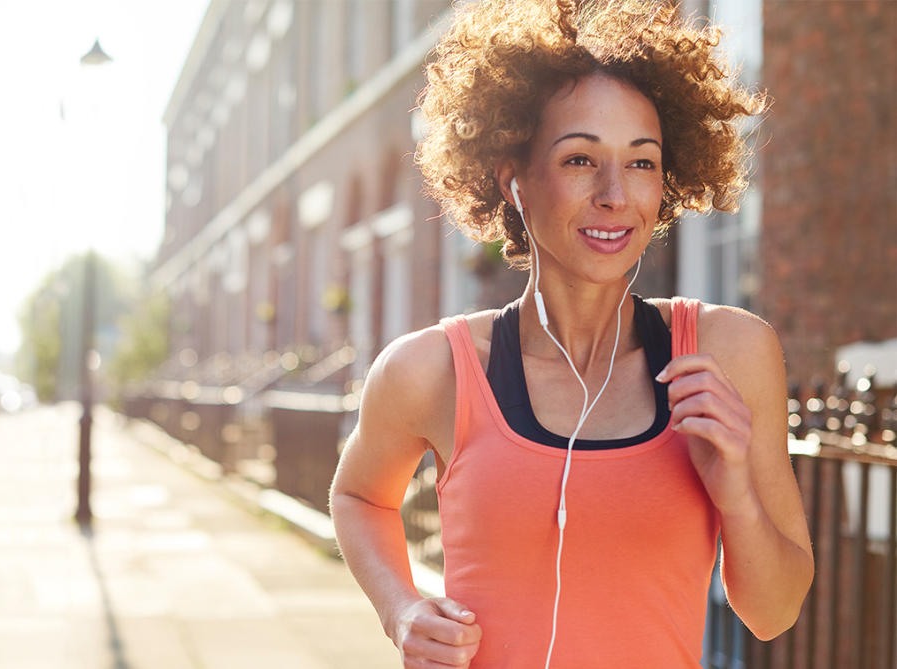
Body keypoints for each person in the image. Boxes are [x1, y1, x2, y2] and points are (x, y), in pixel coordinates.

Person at [328, 1, 814, 667]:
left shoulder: (729, 353)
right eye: (581, 159)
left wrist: (737, 494)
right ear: (515, 180)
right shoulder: (431, 370)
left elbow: (773, 611)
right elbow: (358, 495)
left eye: (642, 163)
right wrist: (402, 608)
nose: (617, 194)